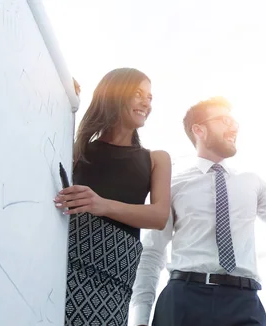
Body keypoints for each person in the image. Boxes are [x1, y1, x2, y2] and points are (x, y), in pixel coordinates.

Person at [130, 96, 266, 326]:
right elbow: (152, 254)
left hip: (243, 303)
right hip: (184, 300)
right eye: (224, 120)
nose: (234, 126)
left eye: (235, 121)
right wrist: (140, 320)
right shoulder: (172, 184)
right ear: (199, 130)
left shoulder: (251, 182)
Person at [54, 68, 171, 326]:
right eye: (138, 94)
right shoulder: (77, 149)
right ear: (114, 94)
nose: (146, 103)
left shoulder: (156, 159)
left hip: (116, 274)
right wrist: (57, 94)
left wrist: (102, 205)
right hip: (69, 264)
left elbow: (159, 216)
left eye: (150, 97)